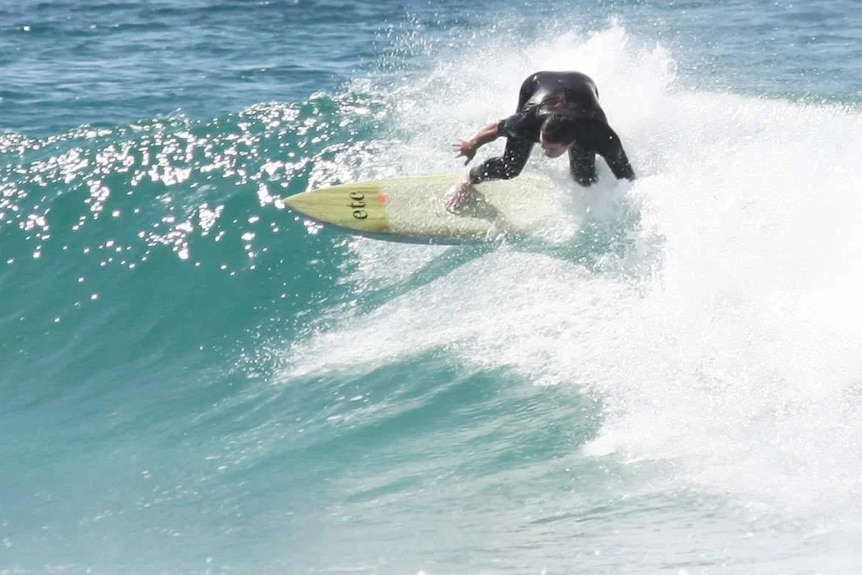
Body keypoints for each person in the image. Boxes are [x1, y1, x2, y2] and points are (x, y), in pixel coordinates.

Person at [446, 71, 636, 213]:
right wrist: (472, 144)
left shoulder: (600, 136)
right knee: (510, 168)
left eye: (552, 149)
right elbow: (496, 128)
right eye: (542, 144)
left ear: (570, 142)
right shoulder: (528, 121)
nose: (544, 152)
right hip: (535, 84)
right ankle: (468, 179)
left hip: (583, 85)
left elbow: (628, 178)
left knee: (584, 178)